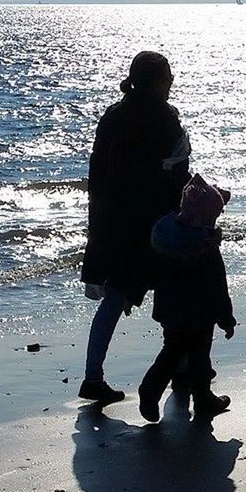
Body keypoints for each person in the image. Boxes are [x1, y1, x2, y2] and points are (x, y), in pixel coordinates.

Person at [79, 51, 191, 402]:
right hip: (152, 221)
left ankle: (92, 377)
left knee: (113, 299)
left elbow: (97, 174)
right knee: (175, 293)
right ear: (157, 81)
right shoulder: (164, 118)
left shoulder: (112, 115)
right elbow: (176, 173)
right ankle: (182, 371)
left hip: (112, 220)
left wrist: (96, 220)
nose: (172, 83)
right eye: (168, 77)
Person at [137, 174, 236, 422]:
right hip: (199, 315)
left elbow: (150, 273)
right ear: (206, 218)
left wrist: (136, 291)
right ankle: (203, 399)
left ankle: (150, 390)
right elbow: (218, 287)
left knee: (171, 353)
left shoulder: (166, 239)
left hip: (169, 311)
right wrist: (226, 318)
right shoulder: (206, 248)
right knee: (199, 356)